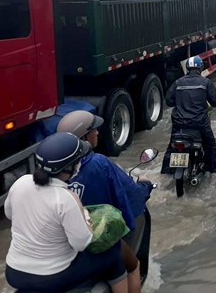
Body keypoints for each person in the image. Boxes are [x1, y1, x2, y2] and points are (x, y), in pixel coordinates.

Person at [5, 132, 128, 293]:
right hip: (50, 277)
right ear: (69, 167)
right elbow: (81, 243)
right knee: (114, 257)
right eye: (77, 161)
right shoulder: (66, 198)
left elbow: (9, 214)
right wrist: (85, 218)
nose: (79, 164)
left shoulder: (21, 183)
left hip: (14, 272)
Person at [57, 111, 153, 293]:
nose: (98, 132)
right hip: (99, 238)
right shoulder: (98, 163)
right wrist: (146, 188)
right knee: (133, 267)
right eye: (94, 129)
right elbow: (130, 197)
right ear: (84, 137)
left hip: (66, 248)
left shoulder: (52, 172)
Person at [165, 56, 216, 174]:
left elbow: (169, 101)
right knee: (211, 146)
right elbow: (214, 102)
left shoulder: (178, 82)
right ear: (201, 68)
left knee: (171, 148)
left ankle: (166, 171)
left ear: (187, 68)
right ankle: (210, 170)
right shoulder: (206, 82)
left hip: (179, 123)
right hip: (200, 122)